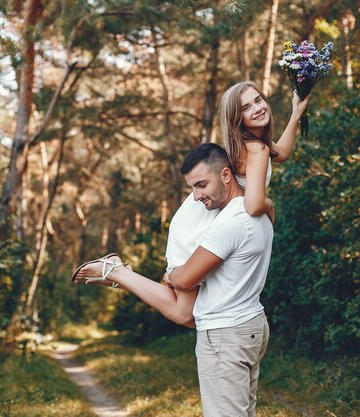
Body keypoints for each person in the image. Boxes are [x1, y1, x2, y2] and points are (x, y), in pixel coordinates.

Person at [72, 81, 308, 416]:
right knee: (185, 312)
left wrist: (297, 111)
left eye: (259, 100)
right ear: (235, 119)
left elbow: (282, 152)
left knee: (186, 313)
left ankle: (116, 271)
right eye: (246, 107)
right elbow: (254, 203)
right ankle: (117, 271)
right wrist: (270, 206)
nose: (257, 108)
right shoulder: (250, 151)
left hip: (215, 243)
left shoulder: (258, 147)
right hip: (197, 225)